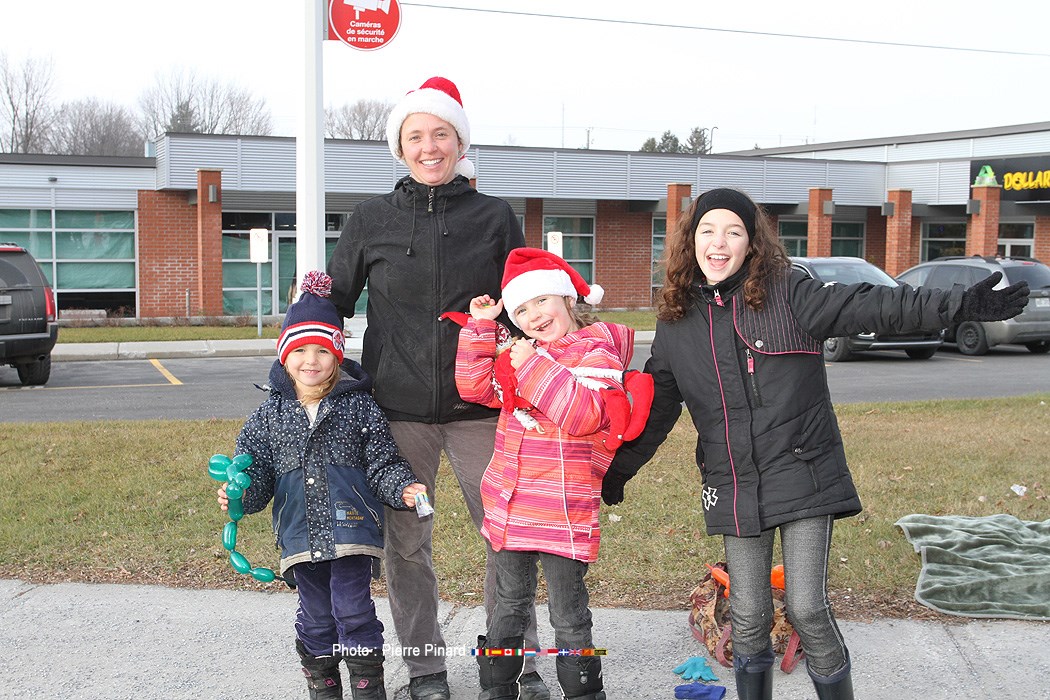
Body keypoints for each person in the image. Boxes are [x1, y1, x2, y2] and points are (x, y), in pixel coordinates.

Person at [600, 188, 1030, 700]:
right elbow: (660, 408)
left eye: (734, 232)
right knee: (749, 615)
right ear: (690, 240)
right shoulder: (675, 321)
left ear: (752, 242)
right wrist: (621, 468)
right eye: (708, 231)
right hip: (732, 478)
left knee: (806, 607)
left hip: (805, 470)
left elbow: (874, 306)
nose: (719, 243)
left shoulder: (790, 293)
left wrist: (958, 303)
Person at [326, 77, 550, 700]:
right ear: (400, 146)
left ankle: (518, 664)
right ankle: (426, 672)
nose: (429, 147)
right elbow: (331, 307)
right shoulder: (370, 219)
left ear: (459, 142)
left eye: (441, 134)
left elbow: (526, 304)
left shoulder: (494, 216)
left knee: (507, 537)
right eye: (416, 136)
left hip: (482, 410)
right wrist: (304, 367)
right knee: (405, 547)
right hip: (396, 417)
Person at [215, 270, 428, 700]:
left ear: (337, 355)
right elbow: (255, 474)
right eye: (300, 350)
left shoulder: (359, 407)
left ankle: (369, 688)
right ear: (283, 356)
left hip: (351, 531)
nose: (311, 360)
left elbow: (382, 461)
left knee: (352, 609)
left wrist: (402, 486)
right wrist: (239, 493)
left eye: (321, 351)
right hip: (299, 535)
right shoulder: (267, 417)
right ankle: (324, 688)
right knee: (314, 617)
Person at [454, 247, 636, 700]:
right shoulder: (520, 355)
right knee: (506, 608)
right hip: (513, 504)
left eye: (541, 301)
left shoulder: (597, 353)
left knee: (568, 613)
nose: (533, 315)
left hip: (564, 509)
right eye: (521, 309)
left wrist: (530, 364)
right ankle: (496, 690)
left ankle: (583, 692)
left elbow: (582, 413)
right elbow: (475, 387)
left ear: (567, 300)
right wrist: (481, 328)